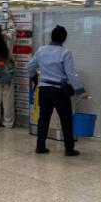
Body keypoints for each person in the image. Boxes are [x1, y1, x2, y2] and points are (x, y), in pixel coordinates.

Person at [27, 25, 88, 156]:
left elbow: (30, 66)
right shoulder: (65, 53)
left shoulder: (41, 50)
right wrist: (80, 90)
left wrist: (34, 77)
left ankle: (40, 146)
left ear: (51, 36)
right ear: (64, 38)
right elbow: (71, 74)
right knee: (66, 120)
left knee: (43, 119)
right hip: (59, 91)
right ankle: (69, 149)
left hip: (44, 89)